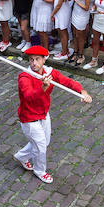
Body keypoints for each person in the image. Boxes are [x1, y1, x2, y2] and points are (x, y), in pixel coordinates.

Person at [13, 46, 91, 184]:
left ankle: (21, 156)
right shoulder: (24, 77)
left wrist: (82, 91)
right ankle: (40, 171)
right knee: (40, 145)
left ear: (44, 60)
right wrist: (42, 88)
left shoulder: (50, 73)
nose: (34, 63)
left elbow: (67, 81)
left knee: (43, 142)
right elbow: (28, 96)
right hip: (29, 118)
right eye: (31, 60)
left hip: (43, 114)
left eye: (37, 59)